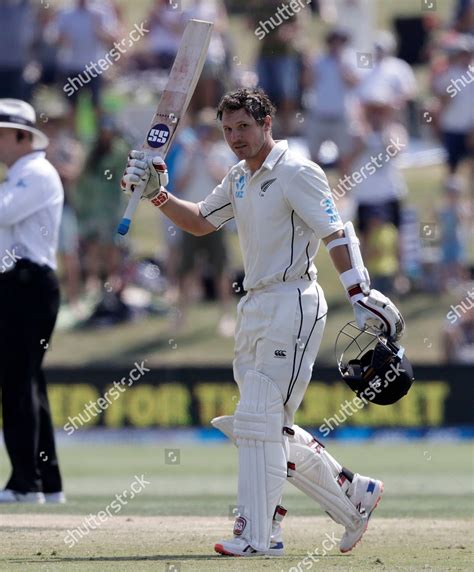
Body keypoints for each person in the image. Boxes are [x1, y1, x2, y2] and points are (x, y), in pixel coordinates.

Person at [121, 88, 405, 556]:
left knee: (257, 421)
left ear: (267, 122)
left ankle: (257, 535)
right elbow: (199, 222)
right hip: (254, 305)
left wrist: (360, 293)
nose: (236, 138)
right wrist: (158, 195)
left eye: (244, 128)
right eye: (228, 130)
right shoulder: (238, 177)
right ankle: (354, 493)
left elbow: (336, 232)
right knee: (261, 428)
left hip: (293, 300)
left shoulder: (298, 171)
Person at [0, 99, 64, 503]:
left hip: (28, 282)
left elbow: (3, 213)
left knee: (17, 382)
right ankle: (45, 480)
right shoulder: (20, 174)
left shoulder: (36, 171)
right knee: (28, 381)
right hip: (19, 283)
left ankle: (26, 482)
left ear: (22, 136)